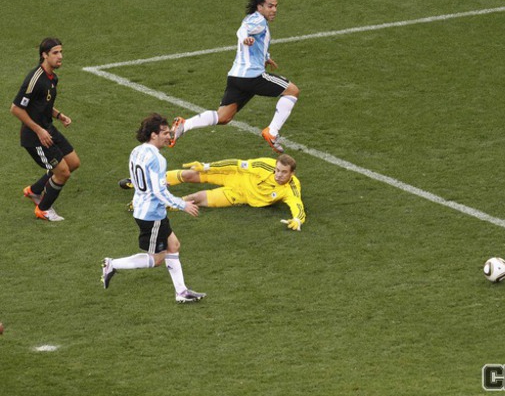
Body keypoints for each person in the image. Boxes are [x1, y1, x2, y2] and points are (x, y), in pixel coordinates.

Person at [170, 0, 300, 153]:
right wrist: (244, 38)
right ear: (259, 7)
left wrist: (266, 57)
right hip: (253, 76)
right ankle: (272, 132)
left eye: (275, 6)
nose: (274, 10)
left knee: (223, 117)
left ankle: (185, 124)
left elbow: (255, 41)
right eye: (270, 6)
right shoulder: (258, 21)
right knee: (292, 91)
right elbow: (242, 31)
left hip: (236, 77)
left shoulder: (254, 19)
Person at [102, 113, 205, 303]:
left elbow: (138, 180)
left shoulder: (136, 151)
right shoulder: (158, 159)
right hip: (151, 214)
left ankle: (181, 292)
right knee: (157, 259)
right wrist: (182, 204)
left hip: (143, 208)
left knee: (174, 246)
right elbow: (159, 192)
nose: (169, 136)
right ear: (153, 135)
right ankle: (112, 264)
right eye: (165, 133)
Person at [121, 154, 306, 231]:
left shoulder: (291, 188)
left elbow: (297, 205)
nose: (278, 175)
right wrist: (207, 166)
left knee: (197, 198)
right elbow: (235, 164)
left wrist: (297, 220)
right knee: (190, 174)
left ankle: (154, 205)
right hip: (233, 176)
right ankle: (140, 182)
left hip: (238, 195)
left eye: (283, 172)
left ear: (292, 173)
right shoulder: (264, 165)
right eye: (277, 170)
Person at [10, 38, 80, 221]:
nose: (60, 56)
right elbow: (16, 108)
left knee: (73, 163)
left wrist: (59, 115)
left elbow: (42, 104)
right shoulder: (35, 80)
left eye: (61, 52)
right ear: (44, 55)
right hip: (35, 136)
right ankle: (43, 209)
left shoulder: (52, 77)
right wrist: (39, 130)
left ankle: (35, 190)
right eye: (55, 53)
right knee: (63, 173)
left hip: (48, 129)